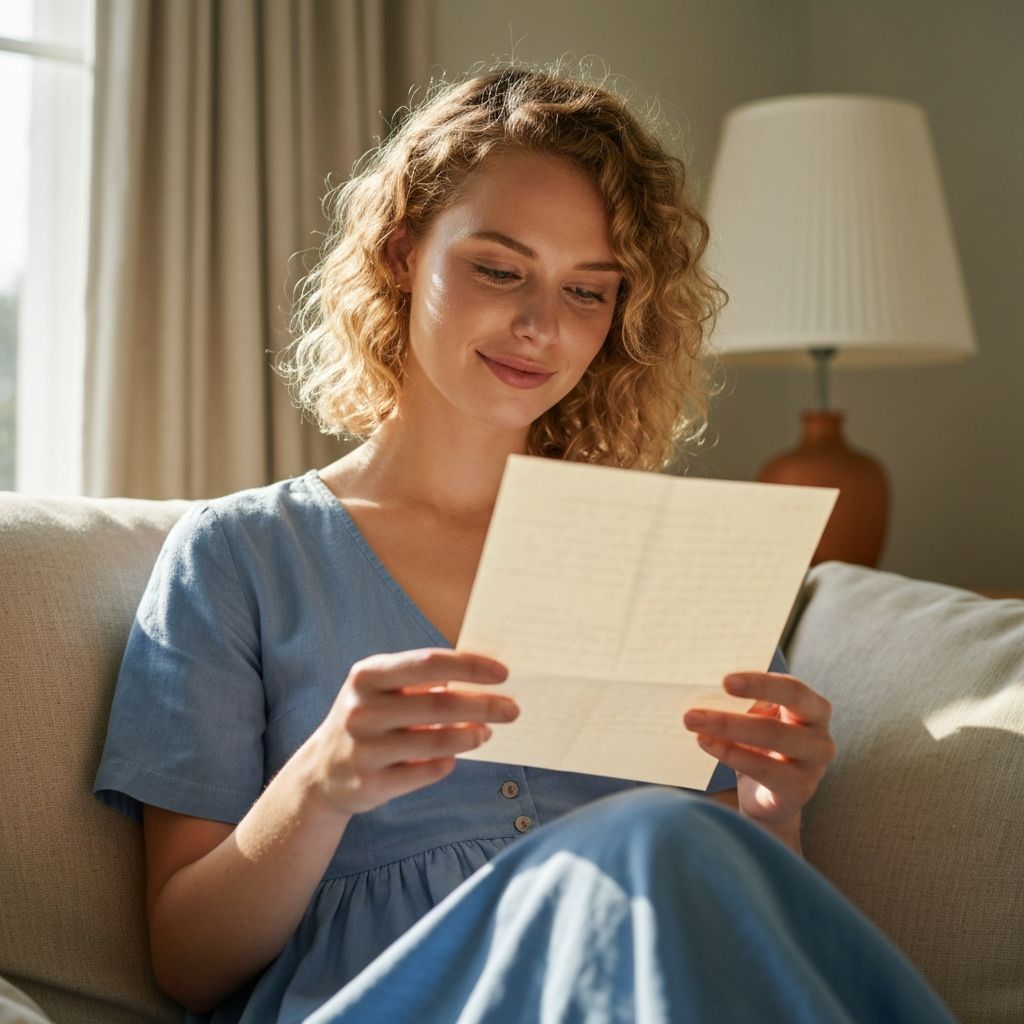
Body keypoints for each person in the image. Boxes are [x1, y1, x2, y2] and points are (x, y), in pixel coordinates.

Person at [93, 66, 955, 1023]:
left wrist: (770, 815)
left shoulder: (667, 557)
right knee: (659, 836)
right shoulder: (239, 558)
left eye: (588, 292)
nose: (541, 327)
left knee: (674, 842)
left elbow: (733, 942)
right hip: (379, 999)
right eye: (499, 270)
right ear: (399, 251)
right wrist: (321, 783)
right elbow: (186, 961)